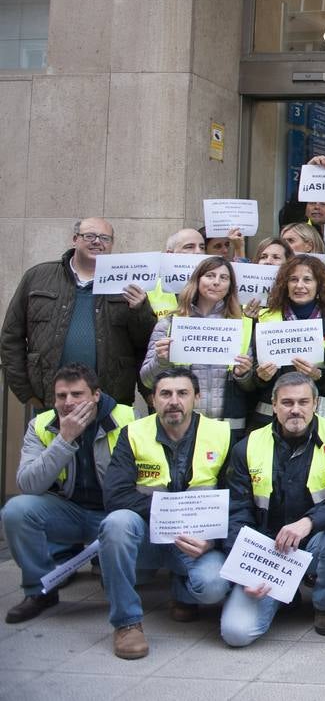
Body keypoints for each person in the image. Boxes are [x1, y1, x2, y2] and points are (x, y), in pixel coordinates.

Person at [99, 368, 234, 659]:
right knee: (116, 524)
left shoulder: (221, 434)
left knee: (213, 586)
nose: (174, 401)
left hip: (196, 540)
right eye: (165, 394)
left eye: (182, 393)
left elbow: (234, 499)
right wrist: (167, 513)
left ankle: (182, 591)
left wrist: (212, 541)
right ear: (152, 400)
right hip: (147, 536)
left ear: (197, 397)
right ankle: (127, 623)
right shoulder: (133, 433)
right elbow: (115, 495)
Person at [220, 373, 325, 646]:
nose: (295, 409)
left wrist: (309, 522)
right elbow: (236, 513)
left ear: (315, 404)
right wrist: (244, 570)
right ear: (273, 405)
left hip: (316, 544)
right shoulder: (246, 447)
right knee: (236, 634)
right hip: (267, 554)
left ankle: (324, 605)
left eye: (303, 402)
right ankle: (286, 595)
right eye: (286, 402)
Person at [1, 363, 135, 623]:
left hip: (112, 515)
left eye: (77, 394)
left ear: (95, 395)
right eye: (61, 396)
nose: (68, 402)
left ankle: (120, 591)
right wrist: (65, 439)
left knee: (132, 574)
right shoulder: (41, 424)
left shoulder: (129, 418)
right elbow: (28, 485)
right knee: (16, 511)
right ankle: (40, 591)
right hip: (67, 511)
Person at [2, 217, 156, 408]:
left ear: (112, 244)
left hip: (110, 402)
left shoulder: (129, 284)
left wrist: (140, 310)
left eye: (105, 238)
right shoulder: (38, 276)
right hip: (50, 400)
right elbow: (11, 338)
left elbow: (146, 343)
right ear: (75, 239)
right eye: (89, 236)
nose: (97, 242)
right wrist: (26, 393)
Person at [141, 256, 256, 438]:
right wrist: (161, 360)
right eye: (210, 275)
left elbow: (251, 386)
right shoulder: (169, 324)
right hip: (181, 425)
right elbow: (147, 380)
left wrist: (243, 375)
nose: (216, 282)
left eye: (224, 278)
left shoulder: (241, 326)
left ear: (230, 287)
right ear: (197, 280)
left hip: (226, 426)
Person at [252, 254, 325, 426]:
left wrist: (319, 376)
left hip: (316, 417)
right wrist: (261, 377)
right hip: (269, 417)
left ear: (319, 285)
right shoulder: (265, 317)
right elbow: (253, 379)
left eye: (307, 280)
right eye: (293, 279)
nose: (299, 285)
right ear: (285, 285)